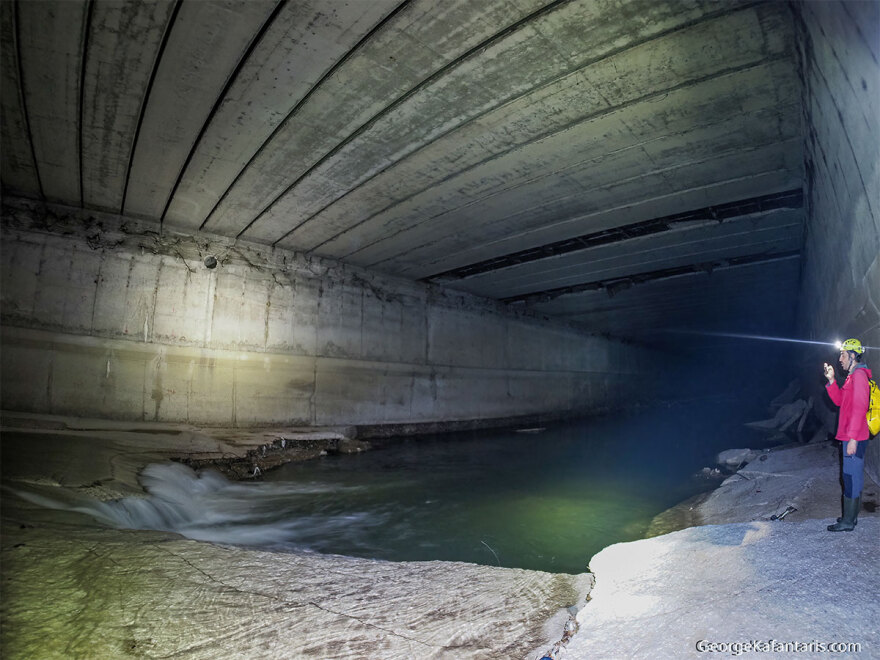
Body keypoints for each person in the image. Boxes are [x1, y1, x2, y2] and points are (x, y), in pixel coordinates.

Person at [822, 338, 872, 532]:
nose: (839, 359)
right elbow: (840, 401)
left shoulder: (859, 376)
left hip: (855, 437)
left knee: (850, 477)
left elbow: (860, 407)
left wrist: (852, 438)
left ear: (852, 355)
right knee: (852, 476)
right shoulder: (852, 377)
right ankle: (851, 517)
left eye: (842, 355)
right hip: (851, 435)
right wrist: (832, 380)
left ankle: (848, 522)